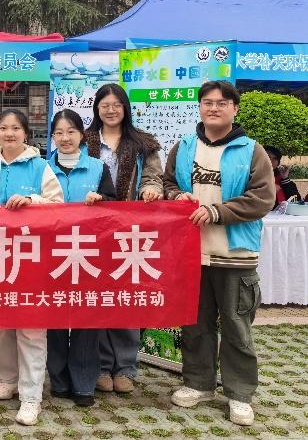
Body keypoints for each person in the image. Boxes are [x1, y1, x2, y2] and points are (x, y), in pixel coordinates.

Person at [165, 81, 275, 426]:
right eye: (208, 102)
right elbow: (168, 183)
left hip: (235, 254)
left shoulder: (252, 150)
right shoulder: (184, 147)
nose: (214, 108)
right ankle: (199, 384)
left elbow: (262, 197)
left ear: (235, 109)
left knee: (237, 327)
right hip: (191, 254)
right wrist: (176, 196)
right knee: (195, 324)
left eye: (222, 103)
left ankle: (239, 394)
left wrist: (217, 212)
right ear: (199, 107)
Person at [0, 109, 64, 426]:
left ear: (26, 133)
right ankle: (8, 379)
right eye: (3, 128)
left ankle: (31, 396)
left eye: (15, 128)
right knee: (1, 324)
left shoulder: (40, 167)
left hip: (32, 259)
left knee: (31, 327)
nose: (9, 133)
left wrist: (32, 201)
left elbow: (58, 206)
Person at [83, 83, 163, 394]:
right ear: (97, 109)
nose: (111, 110)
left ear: (125, 108)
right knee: (100, 297)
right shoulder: (84, 141)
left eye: (117, 104)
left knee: (128, 298)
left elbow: (153, 176)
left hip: (132, 232)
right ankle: (102, 366)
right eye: (105, 105)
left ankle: (126, 367)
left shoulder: (143, 143)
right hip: (94, 231)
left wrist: (150, 188)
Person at [46, 109, 116, 408]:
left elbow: (114, 206)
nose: (65, 138)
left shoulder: (98, 168)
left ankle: (85, 383)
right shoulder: (42, 168)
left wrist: (101, 200)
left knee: (87, 319)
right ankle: (59, 380)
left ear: (82, 135)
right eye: (59, 133)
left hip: (89, 254)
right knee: (55, 317)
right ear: (52, 137)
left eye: (71, 132)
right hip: (51, 254)